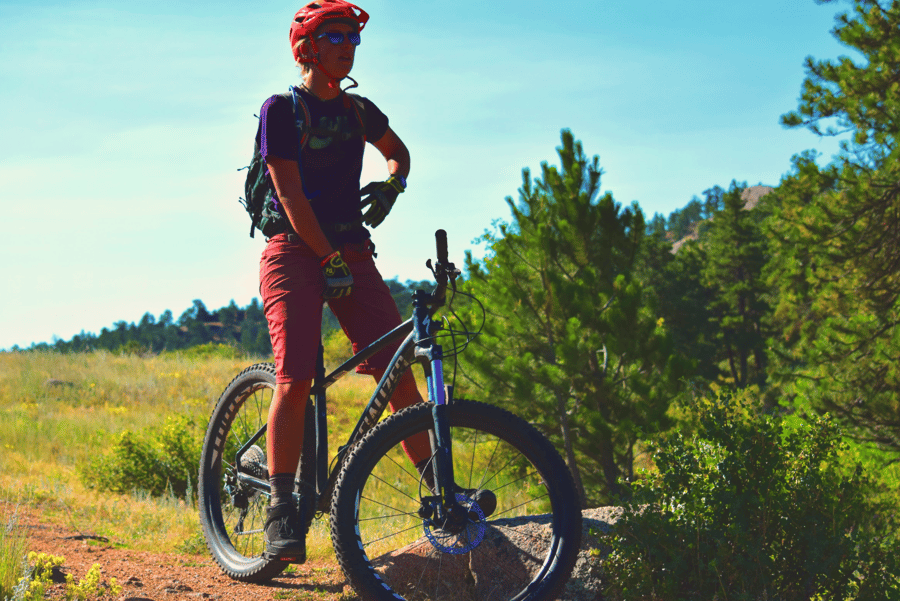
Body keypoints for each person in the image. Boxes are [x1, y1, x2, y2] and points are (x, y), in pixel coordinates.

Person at [256, 0, 431, 562]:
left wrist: (391, 185)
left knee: (397, 370)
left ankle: (439, 491)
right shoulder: (281, 109)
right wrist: (324, 254)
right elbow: (289, 192)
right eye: (335, 37)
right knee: (296, 377)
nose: (348, 47)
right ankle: (282, 511)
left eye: (352, 38)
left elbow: (398, 154)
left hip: (352, 254)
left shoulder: (359, 111)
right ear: (307, 48)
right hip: (293, 251)